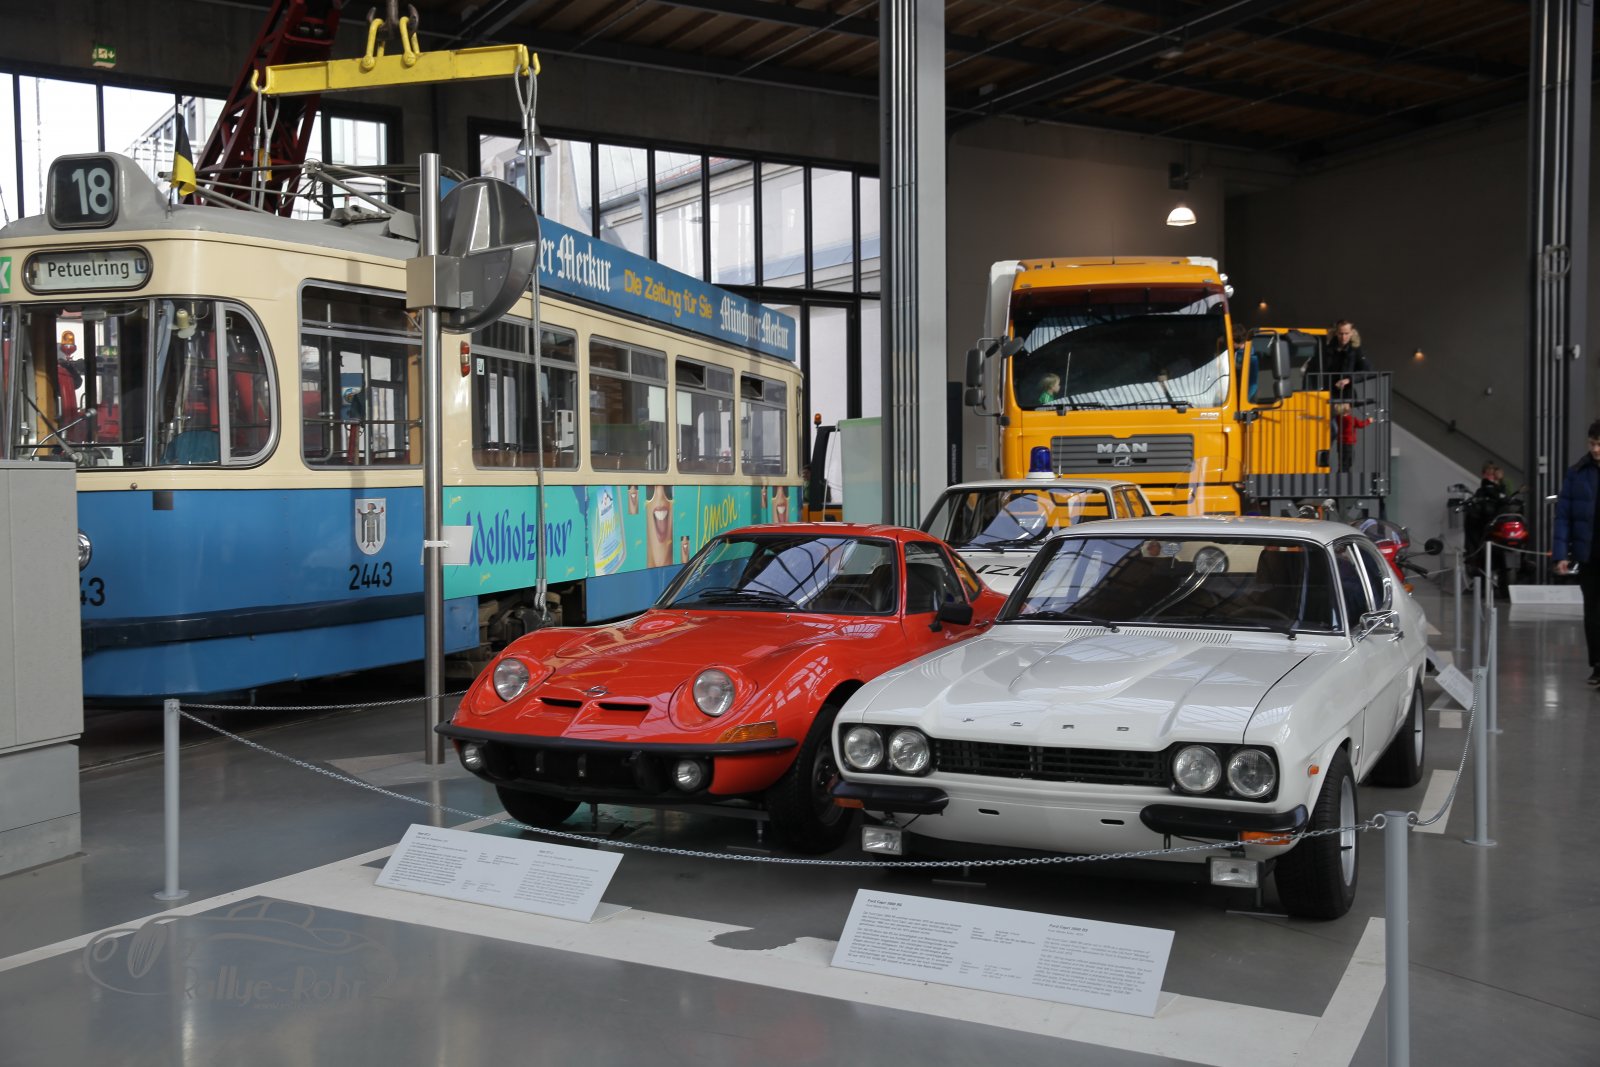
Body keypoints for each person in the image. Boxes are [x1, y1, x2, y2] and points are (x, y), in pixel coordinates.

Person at [1551, 423, 1600, 685]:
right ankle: (1598, 665)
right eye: (1592, 443)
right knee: (1592, 612)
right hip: (1589, 554)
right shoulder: (1576, 473)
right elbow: (1563, 517)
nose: (1596, 449)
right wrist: (1561, 555)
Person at [1309, 319, 1370, 398]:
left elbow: (1367, 371)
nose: (1343, 337)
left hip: (1346, 393)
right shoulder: (1326, 348)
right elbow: (1313, 367)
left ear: (1351, 333)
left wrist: (1348, 380)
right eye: (1341, 334)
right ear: (1336, 333)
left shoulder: (1355, 349)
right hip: (1326, 392)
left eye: (1346, 333)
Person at [1335, 403, 1371, 471]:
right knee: (1348, 461)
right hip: (1348, 443)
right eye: (1349, 407)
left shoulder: (1338, 418)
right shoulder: (1350, 419)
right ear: (1347, 410)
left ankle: (1342, 472)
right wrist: (1368, 421)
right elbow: (1360, 424)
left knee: (1342, 461)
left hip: (1340, 443)